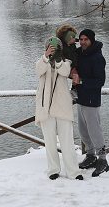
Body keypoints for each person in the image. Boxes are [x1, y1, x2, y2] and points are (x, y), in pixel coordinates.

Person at [34, 36, 82, 181]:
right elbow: (38, 71)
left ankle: (73, 172)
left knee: (67, 141)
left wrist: (59, 58)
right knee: (49, 142)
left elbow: (65, 72)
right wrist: (46, 56)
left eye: (55, 47)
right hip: (46, 108)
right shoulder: (41, 61)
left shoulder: (65, 62)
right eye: (50, 47)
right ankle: (53, 170)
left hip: (62, 107)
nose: (53, 50)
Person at [74, 28, 109, 176]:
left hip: (92, 99)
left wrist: (81, 80)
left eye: (85, 39)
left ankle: (102, 159)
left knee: (95, 130)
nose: (82, 42)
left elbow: (100, 81)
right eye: (80, 39)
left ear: (91, 40)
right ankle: (90, 155)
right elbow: (69, 55)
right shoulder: (80, 54)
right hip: (80, 98)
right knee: (83, 130)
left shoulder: (97, 57)